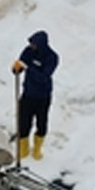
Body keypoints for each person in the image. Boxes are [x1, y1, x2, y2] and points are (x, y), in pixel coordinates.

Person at [11, 30, 59, 160]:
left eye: (33, 44)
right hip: (28, 94)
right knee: (23, 123)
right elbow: (21, 64)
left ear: (41, 44)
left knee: (41, 124)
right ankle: (24, 150)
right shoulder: (28, 52)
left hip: (43, 97)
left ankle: (37, 150)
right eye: (30, 43)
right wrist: (17, 69)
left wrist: (28, 68)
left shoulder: (52, 57)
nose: (31, 46)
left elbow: (43, 77)